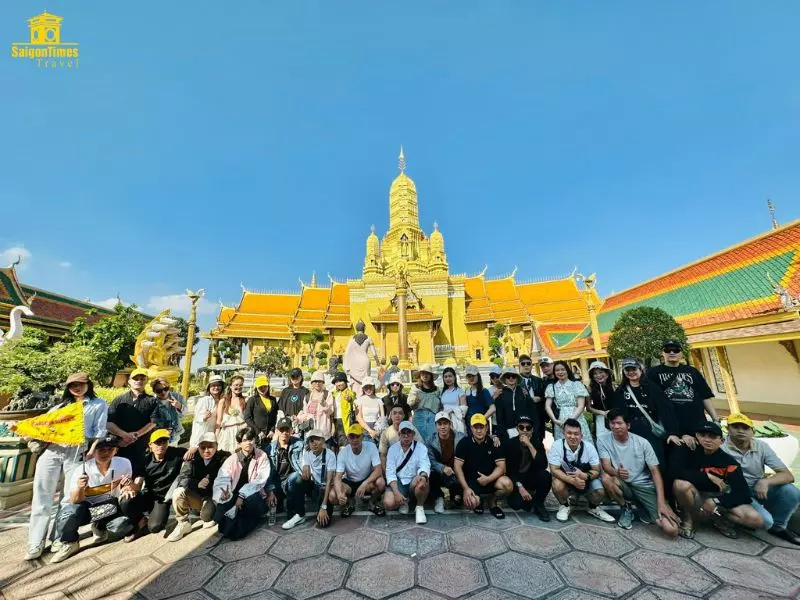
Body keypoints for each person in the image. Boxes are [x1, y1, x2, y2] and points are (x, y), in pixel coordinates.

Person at [24, 372, 108, 560]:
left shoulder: (98, 404)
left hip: (77, 451)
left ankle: (59, 537)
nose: (76, 388)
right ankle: (35, 542)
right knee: (42, 496)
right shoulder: (60, 407)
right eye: (72, 385)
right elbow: (42, 426)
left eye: (80, 384)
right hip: (53, 451)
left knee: (68, 497)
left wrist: (92, 450)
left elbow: (99, 432)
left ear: (88, 384)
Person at [670, 421, 763, 539]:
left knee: (756, 520)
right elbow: (674, 472)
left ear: (721, 440)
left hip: (717, 498)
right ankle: (688, 520)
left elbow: (743, 493)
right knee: (680, 484)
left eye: (713, 437)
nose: (707, 440)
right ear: (697, 436)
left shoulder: (728, 462)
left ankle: (718, 519)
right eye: (703, 435)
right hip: (694, 496)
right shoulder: (685, 450)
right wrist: (707, 476)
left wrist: (716, 501)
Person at [49, 435, 133, 563]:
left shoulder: (124, 464)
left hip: (108, 507)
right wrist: (80, 488)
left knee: (123, 524)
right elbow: (74, 501)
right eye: (101, 450)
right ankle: (70, 542)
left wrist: (127, 488)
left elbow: (124, 489)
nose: (105, 453)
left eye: (110, 449)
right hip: (85, 510)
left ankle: (99, 527)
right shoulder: (81, 470)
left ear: (116, 450)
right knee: (67, 514)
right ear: (93, 452)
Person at [722, 412, 800, 545]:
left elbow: (787, 475)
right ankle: (721, 515)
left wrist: (765, 481)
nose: (741, 431)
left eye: (745, 428)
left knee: (792, 492)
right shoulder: (721, 447)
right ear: (728, 429)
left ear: (752, 431)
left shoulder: (761, 446)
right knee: (764, 521)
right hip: (735, 491)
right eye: (735, 426)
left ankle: (778, 527)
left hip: (757, 487)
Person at [599, 409, 680, 535]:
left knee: (671, 529)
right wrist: (617, 472)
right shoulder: (603, 440)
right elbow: (606, 466)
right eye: (612, 423)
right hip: (622, 482)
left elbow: (655, 472)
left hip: (643, 485)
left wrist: (661, 502)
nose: (615, 426)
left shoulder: (643, 443)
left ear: (628, 425)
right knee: (606, 478)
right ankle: (625, 507)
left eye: (619, 423)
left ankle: (642, 506)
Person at [612, 358, 681, 467]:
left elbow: (666, 410)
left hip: (650, 430)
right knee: (637, 462)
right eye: (627, 370)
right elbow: (617, 412)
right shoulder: (621, 390)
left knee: (656, 461)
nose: (631, 372)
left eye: (633, 369)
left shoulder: (652, 387)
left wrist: (673, 432)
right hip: (631, 431)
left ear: (641, 369)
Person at [120, 428, 185, 541]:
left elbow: (195, 452)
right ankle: (140, 521)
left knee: (155, 527)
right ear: (150, 445)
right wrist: (130, 486)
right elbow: (138, 485)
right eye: (158, 442)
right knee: (125, 500)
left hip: (164, 499)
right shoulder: (145, 461)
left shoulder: (176, 453)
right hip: (150, 495)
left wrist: (193, 449)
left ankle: (152, 518)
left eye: (164, 442)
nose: (161, 445)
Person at [648, 340, 719, 440]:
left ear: (681, 353)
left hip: (696, 424)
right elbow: (650, 400)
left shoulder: (693, 372)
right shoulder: (653, 373)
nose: (672, 353)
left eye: (675, 350)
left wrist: (715, 419)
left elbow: (705, 396)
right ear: (662, 353)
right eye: (668, 350)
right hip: (671, 428)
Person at [547, 418, 615, 523]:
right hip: (566, 480)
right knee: (557, 485)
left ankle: (593, 507)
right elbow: (554, 470)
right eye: (569, 433)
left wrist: (585, 476)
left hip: (586, 479)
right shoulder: (557, 446)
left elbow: (596, 470)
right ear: (563, 434)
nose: (573, 437)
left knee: (600, 492)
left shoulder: (589, 447)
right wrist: (572, 481)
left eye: (576, 434)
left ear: (581, 435)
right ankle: (565, 505)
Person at [213, 427, 273, 540]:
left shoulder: (262, 456)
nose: (248, 443)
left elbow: (260, 480)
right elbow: (222, 478)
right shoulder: (232, 459)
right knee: (221, 511)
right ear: (239, 443)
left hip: (254, 496)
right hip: (236, 497)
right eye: (244, 440)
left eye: (251, 439)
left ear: (255, 440)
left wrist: (242, 495)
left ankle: (249, 519)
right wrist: (224, 492)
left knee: (250, 501)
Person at [168, 432, 231, 541]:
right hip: (196, 495)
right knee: (178, 492)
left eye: (210, 447)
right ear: (199, 447)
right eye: (203, 447)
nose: (206, 450)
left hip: (213, 496)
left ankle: (204, 510)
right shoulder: (192, 459)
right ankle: (183, 522)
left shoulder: (224, 457)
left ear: (216, 446)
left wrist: (210, 483)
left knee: (206, 517)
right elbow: (182, 478)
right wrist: (197, 483)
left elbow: (228, 478)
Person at [454, 414, 514, 519]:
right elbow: (457, 467)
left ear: (486, 428)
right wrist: (465, 488)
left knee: (507, 484)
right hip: (472, 481)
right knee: (472, 503)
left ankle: (492, 501)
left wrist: (488, 479)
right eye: (475, 427)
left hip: (491, 479)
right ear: (471, 428)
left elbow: (501, 467)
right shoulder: (463, 443)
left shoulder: (495, 443)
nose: (478, 430)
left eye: (481, 427)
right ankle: (479, 500)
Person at [107, 368, 160, 477]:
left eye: (142, 378)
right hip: (119, 445)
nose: (138, 381)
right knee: (116, 477)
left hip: (140, 447)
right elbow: (109, 423)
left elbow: (153, 422)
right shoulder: (119, 400)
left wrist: (135, 435)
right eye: (135, 378)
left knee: (137, 476)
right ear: (129, 381)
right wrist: (124, 435)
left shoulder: (152, 401)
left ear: (146, 381)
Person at [282, 429, 337, 530]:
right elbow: (305, 468)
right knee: (297, 479)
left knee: (323, 523)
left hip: (325, 489)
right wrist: (305, 467)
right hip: (314, 487)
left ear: (323, 441)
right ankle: (300, 514)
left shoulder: (330, 455)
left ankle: (322, 506)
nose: (314, 443)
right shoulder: (307, 452)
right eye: (311, 441)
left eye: (317, 440)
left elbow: (329, 482)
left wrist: (324, 507)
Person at [505, 415, 551, 520]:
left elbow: (543, 465)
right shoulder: (510, 444)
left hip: (531, 476)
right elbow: (509, 470)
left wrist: (530, 445)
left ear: (532, 429)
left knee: (546, 476)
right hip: (516, 479)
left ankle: (539, 503)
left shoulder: (537, 443)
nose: (525, 430)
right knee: (516, 504)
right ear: (517, 429)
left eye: (528, 428)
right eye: (521, 427)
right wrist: (520, 487)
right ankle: (529, 499)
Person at [333, 424, 386, 516]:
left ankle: (372, 503)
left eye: (357, 436)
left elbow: (378, 470)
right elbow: (338, 477)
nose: (354, 440)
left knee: (381, 482)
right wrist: (339, 494)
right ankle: (350, 503)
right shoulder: (343, 453)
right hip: (350, 482)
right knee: (334, 493)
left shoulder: (371, 446)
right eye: (352, 437)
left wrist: (364, 483)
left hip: (366, 480)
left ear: (362, 437)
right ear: (348, 438)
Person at [384, 421, 431, 524]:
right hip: (399, 482)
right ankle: (405, 502)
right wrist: (396, 492)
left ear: (413, 434)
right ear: (399, 435)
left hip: (413, 481)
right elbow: (390, 472)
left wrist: (423, 477)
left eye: (409, 433)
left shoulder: (421, 448)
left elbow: (425, 465)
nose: (406, 436)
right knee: (388, 503)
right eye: (403, 433)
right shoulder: (392, 449)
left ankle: (419, 507)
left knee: (423, 482)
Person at [427, 411, 465, 513]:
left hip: (456, 472)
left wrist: (493, 437)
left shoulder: (460, 437)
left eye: (445, 423)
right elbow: (431, 460)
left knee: (458, 501)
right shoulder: (430, 440)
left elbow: (473, 440)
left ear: (450, 424)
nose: (443, 427)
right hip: (439, 473)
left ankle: (455, 496)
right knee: (431, 475)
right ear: (436, 426)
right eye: (440, 424)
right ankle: (439, 499)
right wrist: (442, 468)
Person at [264, 417, 304, 513]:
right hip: (276, 480)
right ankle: (280, 503)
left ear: (291, 430)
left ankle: (292, 508)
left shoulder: (300, 444)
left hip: (291, 479)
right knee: (276, 510)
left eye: (287, 430)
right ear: (277, 431)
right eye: (281, 430)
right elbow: (267, 473)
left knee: (296, 477)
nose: (284, 432)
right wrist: (270, 490)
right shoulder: (269, 449)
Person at [546, 360, 592, 441]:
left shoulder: (577, 384)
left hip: (577, 418)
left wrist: (570, 420)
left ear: (567, 370)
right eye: (557, 370)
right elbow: (547, 406)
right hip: (560, 422)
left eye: (563, 369)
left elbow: (581, 406)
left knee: (580, 443)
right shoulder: (551, 387)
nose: (560, 372)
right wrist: (554, 420)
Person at [494, 367, 536, 442]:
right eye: (508, 376)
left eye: (513, 376)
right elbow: (499, 415)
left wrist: (531, 429)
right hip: (507, 430)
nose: (511, 378)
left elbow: (531, 411)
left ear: (516, 378)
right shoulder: (500, 393)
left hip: (523, 429)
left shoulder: (523, 392)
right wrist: (502, 433)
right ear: (505, 379)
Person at [189, 375, 225, 455]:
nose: (216, 387)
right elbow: (196, 418)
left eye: (218, 385)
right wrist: (204, 417)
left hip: (214, 435)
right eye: (213, 385)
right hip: (201, 435)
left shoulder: (222, 401)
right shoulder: (204, 400)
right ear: (209, 387)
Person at [343, 319, 380, 396]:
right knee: (366, 381)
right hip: (365, 361)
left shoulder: (351, 339)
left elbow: (346, 353)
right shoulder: (369, 338)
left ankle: (356, 397)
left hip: (354, 363)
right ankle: (365, 395)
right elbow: (374, 354)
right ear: (364, 328)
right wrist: (378, 363)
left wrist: (346, 365)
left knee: (355, 382)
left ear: (356, 329)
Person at [297, 370, 334, 443]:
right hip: (310, 433)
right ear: (312, 383)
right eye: (315, 381)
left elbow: (330, 411)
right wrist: (299, 417)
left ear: (323, 383)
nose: (317, 383)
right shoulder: (307, 397)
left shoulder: (327, 395)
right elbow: (305, 413)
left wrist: (323, 403)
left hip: (323, 433)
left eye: (320, 381)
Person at [407, 364, 442, 441]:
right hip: (419, 416)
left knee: (432, 441)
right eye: (423, 373)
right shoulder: (415, 388)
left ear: (431, 375)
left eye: (427, 373)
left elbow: (439, 407)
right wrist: (415, 401)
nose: (425, 376)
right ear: (420, 375)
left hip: (432, 418)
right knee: (418, 440)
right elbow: (410, 404)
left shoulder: (437, 390)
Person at [243, 375, 279, 447]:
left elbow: (275, 416)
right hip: (256, 435)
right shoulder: (252, 400)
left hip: (269, 435)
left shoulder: (273, 399)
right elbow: (247, 417)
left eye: (264, 386)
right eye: (260, 387)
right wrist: (258, 432)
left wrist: (272, 430)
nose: (263, 388)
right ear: (256, 388)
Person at [215, 375, 247, 452]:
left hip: (241, 432)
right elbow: (218, 421)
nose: (238, 387)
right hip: (227, 433)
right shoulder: (223, 401)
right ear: (230, 386)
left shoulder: (245, 400)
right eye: (236, 385)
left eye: (240, 385)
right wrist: (215, 438)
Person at [151, 377, 184, 446]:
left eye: (166, 389)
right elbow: (151, 420)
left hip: (175, 435)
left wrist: (179, 406)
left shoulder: (177, 397)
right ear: (154, 391)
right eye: (159, 391)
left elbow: (185, 413)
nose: (163, 392)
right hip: (160, 436)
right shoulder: (151, 402)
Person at [464, 365, 494, 437]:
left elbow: (492, 408)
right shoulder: (466, 391)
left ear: (478, 376)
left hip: (481, 426)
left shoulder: (484, 391)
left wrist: (482, 419)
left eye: (473, 376)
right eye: (469, 376)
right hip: (469, 425)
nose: (471, 378)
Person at [518, 355, 544, 437]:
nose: (526, 365)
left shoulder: (539, 380)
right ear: (519, 365)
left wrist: (540, 398)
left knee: (539, 441)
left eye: (528, 363)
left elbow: (546, 396)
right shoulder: (516, 382)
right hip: (523, 418)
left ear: (532, 365)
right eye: (523, 364)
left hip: (538, 416)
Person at [587, 361, 614, 439]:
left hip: (615, 417)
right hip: (600, 419)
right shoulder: (590, 389)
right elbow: (588, 408)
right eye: (595, 374)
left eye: (601, 372)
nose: (598, 375)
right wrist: (602, 413)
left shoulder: (614, 387)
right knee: (603, 441)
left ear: (607, 373)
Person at [331, 372, 359, 447]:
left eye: (340, 381)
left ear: (345, 382)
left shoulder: (349, 392)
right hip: (334, 420)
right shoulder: (334, 393)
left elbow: (352, 396)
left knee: (344, 443)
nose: (338, 384)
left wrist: (349, 398)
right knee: (335, 442)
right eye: (336, 382)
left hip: (344, 420)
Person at [356, 376, 385, 442]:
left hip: (377, 428)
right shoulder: (360, 400)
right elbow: (359, 418)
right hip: (364, 428)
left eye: (370, 387)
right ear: (363, 388)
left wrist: (377, 430)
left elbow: (382, 417)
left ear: (373, 387)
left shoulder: (379, 400)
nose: (368, 389)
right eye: (366, 387)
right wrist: (370, 430)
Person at [536, 356, 556, 440]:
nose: (545, 368)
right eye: (543, 366)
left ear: (553, 365)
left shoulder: (561, 378)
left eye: (548, 366)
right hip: (552, 415)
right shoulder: (543, 382)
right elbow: (543, 397)